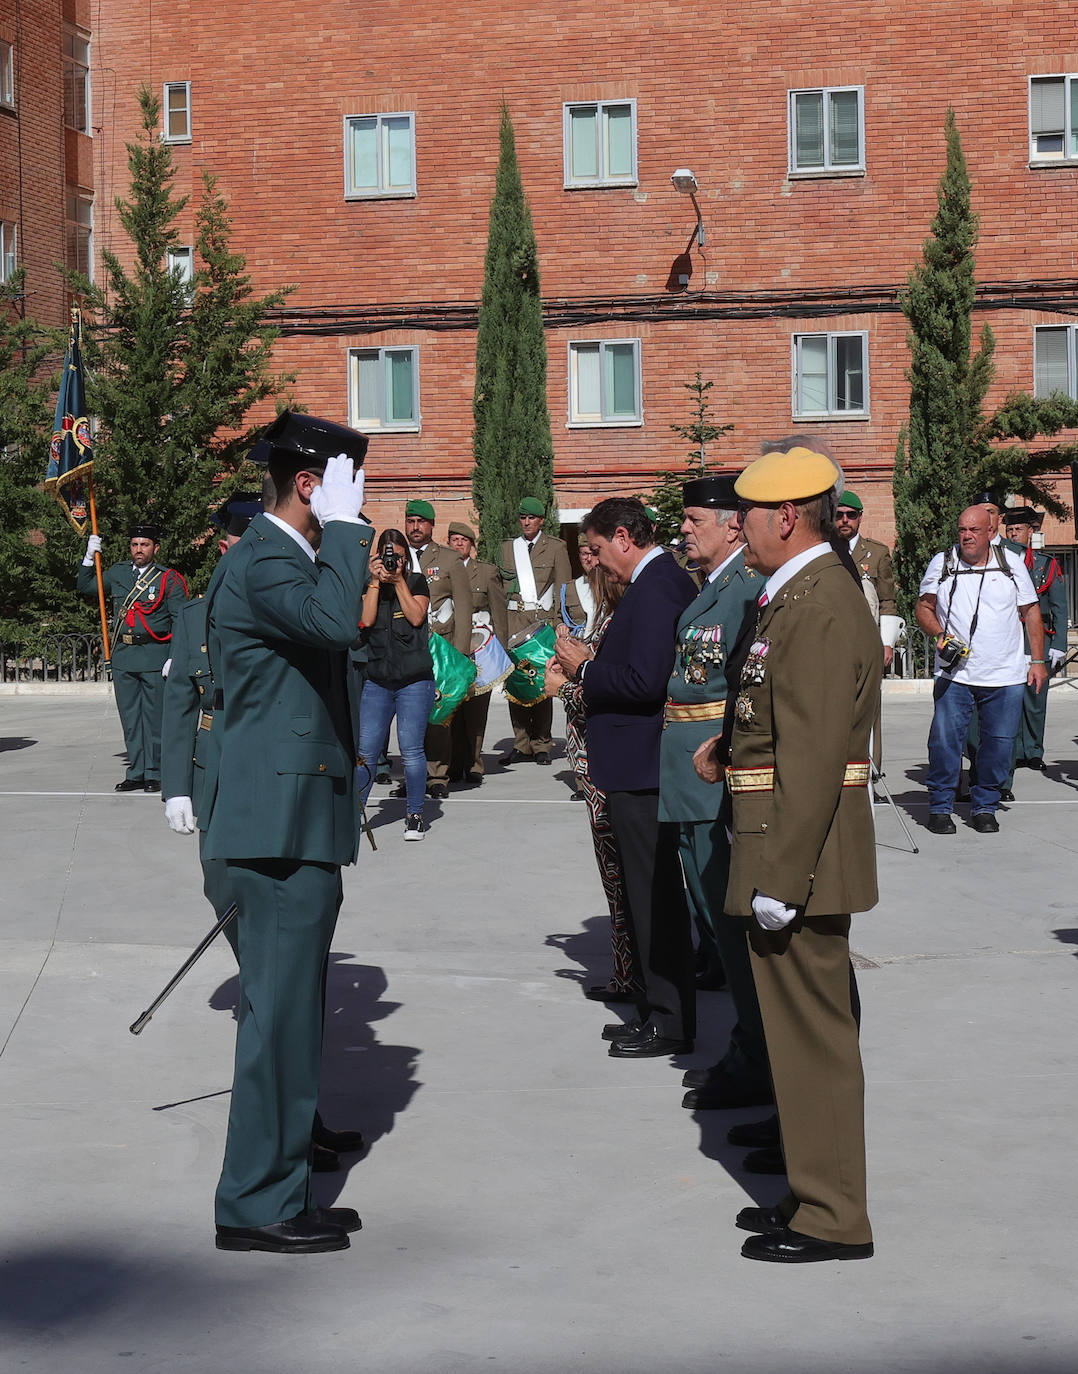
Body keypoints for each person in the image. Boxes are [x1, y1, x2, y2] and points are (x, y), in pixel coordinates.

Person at [201, 410, 371, 1255]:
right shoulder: (269, 558)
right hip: (275, 826)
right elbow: (338, 624)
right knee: (277, 1021)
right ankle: (256, 1203)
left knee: (293, 1017)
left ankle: (281, 1184)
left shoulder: (285, 558)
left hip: (294, 819)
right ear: (311, 484)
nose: (358, 505)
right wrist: (348, 532)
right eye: (348, 489)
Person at [159, 485, 366, 1174]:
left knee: (288, 993)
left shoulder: (285, 582)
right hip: (243, 793)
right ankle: (269, 1171)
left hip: (285, 791)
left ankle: (297, 1127)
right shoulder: (233, 588)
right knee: (273, 986)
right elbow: (185, 699)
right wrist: (177, 785)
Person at [714, 445, 879, 1264]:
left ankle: (834, 1216)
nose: (737, 526)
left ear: (785, 516)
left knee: (815, 1041)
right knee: (798, 1038)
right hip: (787, 845)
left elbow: (812, 757)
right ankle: (813, 1192)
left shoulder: (816, 603)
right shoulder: (799, 593)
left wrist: (782, 877)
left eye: (746, 513)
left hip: (798, 857)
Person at [551, 497, 697, 1058]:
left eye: (596, 548)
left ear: (623, 537)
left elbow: (645, 681)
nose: (594, 561)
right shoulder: (651, 583)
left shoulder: (656, 588)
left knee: (655, 897)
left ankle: (670, 1020)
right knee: (645, 894)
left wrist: (584, 668)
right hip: (634, 765)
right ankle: (652, 1009)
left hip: (643, 767)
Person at [657, 475, 771, 1112]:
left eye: (695, 520)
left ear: (732, 525)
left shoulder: (747, 588)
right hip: (687, 768)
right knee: (713, 914)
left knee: (731, 920)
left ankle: (756, 1056)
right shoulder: (714, 586)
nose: (684, 530)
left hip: (712, 771)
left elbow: (742, 687)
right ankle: (749, 1047)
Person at [916, 505, 1047, 834]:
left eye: (974, 530)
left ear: (991, 532)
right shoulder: (943, 563)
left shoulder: (1011, 564)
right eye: (962, 530)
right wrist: (939, 634)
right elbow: (924, 606)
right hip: (954, 675)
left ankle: (985, 805)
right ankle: (940, 807)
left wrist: (1037, 661)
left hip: (1005, 675)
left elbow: (1031, 612)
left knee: (999, 744)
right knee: (944, 742)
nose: (967, 536)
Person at [545, 557, 639, 1005]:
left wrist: (560, 687)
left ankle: (629, 974)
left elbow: (601, 693)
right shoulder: (608, 623)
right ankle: (627, 970)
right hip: (595, 763)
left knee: (618, 876)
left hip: (603, 765)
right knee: (617, 876)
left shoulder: (617, 625)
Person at [78, 524, 188, 791]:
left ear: (155, 548)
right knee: (130, 718)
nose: (139, 550)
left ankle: (154, 772)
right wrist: (89, 557)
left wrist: (174, 657)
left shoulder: (168, 579)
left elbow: (181, 621)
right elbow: (87, 586)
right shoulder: (118, 573)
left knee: (154, 718)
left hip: (155, 656)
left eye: (144, 545)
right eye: (135, 545)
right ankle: (136, 771)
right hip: (124, 656)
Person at [356, 529, 434, 840]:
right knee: (366, 751)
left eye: (398, 557)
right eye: (388, 556)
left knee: (411, 749)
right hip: (377, 679)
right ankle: (355, 813)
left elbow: (416, 617)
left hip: (414, 680)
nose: (392, 562)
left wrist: (399, 580)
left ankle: (414, 815)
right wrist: (375, 581)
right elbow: (366, 620)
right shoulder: (369, 582)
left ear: (406, 558)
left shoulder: (416, 582)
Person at [499, 497, 581, 765]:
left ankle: (542, 743)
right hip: (513, 621)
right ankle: (521, 743)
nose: (526, 522)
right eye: (522, 518)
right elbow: (499, 588)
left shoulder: (556, 547)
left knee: (542, 681)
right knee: (516, 681)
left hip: (541, 621)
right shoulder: (508, 548)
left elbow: (563, 587)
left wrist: (562, 621)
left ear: (541, 520)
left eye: (531, 518)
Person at [403, 500, 473, 799]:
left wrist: (459, 654)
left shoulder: (448, 559)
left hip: (441, 648)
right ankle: (412, 775)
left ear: (432, 525)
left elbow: (464, 608)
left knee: (438, 711)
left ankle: (437, 775)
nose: (415, 527)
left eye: (421, 522)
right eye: (410, 521)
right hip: (406, 648)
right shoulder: (399, 556)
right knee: (409, 714)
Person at [1001, 507, 1068, 774]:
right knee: (1012, 697)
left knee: (1035, 699)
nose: (1013, 534)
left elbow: (1059, 607)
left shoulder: (1046, 564)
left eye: (1018, 529)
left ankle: (1034, 750)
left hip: (1040, 638)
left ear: (1030, 532)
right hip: (1011, 638)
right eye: (1009, 530)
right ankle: (1016, 750)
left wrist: (1060, 644)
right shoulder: (1001, 562)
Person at [446, 520, 509, 785]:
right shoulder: (442, 570)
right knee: (451, 705)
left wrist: (501, 653)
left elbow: (499, 612)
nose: (458, 544)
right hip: (450, 645)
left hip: (479, 647)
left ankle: (474, 764)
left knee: (475, 709)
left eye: (463, 540)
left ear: (472, 545)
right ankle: (451, 763)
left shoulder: (486, 572)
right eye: (454, 540)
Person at [833, 492, 900, 669]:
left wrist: (887, 642)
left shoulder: (877, 553)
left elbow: (887, 600)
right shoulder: (824, 551)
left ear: (860, 517)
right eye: (839, 514)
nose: (845, 520)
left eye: (851, 515)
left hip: (866, 638)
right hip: (832, 638)